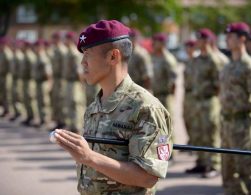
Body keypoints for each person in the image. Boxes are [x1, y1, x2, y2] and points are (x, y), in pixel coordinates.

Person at [54, 19, 173, 195]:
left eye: (88, 54)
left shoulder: (146, 108)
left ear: (113, 57)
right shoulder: (95, 106)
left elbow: (147, 177)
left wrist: (89, 157)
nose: (82, 63)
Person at [220, 22, 251, 194]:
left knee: (249, 173)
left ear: (242, 39)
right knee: (228, 173)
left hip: (243, 124)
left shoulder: (249, 67)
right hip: (226, 124)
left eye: (231, 36)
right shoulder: (228, 65)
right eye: (227, 36)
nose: (227, 40)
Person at [185, 29, 221, 178]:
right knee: (198, 133)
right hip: (197, 102)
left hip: (209, 101)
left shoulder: (214, 60)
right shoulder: (197, 59)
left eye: (200, 40)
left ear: (207, 41)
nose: (198, 43)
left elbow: (219, 84)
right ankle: (201, 162)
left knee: (211, 134)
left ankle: (214, 165)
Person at [151, 33, 177, 116]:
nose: (153, 44)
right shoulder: (153, 57)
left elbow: (173, 82)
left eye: (155, 42)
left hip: (165, 97)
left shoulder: (168, 59)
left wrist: (170, 98)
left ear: (162, 44)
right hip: (154, 96)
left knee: (166, 124)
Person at [49, 31, 67, 129]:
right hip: (56, 78)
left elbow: (65, 67)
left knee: (61, 100)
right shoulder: (55, 50)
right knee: (55, 100)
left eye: (54, 38)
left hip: (61, 79)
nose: (53, 40)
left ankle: (63, 121)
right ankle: (58, 121)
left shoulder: (62, 51)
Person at [183, 40, 198, 146]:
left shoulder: (197, 61)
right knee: (186, 118)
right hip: (187, 94)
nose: (188, 49)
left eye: (190, 47)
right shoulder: (187, 61)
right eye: (186, 47)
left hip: (195, 94)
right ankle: (191, 140)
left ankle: (195, 142)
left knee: (195, 120)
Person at [0, 37, 13, 117]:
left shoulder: (8, 53)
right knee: (3, 94)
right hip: (2, 76)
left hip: (7, 76)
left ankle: (8, 110)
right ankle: (5, 109)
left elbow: (11, 67)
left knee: (7, 94)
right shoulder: (1, 53)